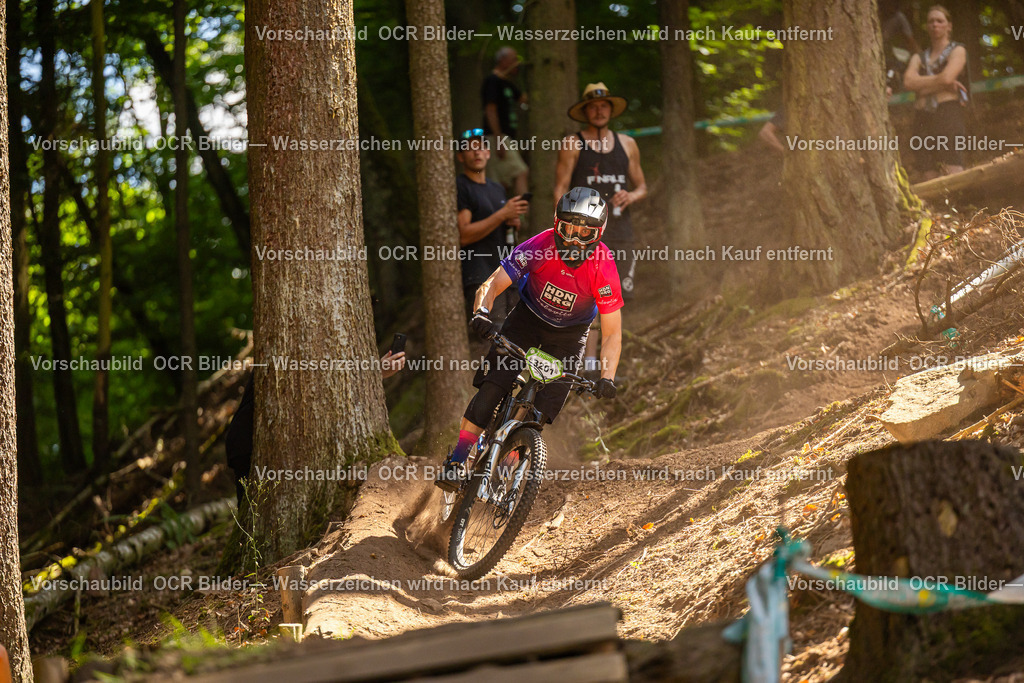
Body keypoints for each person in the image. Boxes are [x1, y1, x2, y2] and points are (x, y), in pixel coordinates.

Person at [436, 187, 623, 490]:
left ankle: (508, 464)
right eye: (568, 229)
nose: (575, 240)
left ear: (599, 234)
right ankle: (457, 460)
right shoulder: (540, 246)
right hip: (526, 322)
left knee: (539, 413)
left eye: (585, 234)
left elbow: (612, 330)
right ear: (556, 224)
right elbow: (493, 282)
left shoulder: (603, 266)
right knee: (490, 392)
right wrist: (482, 312)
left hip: (569, 337)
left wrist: (608, 376)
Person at [226, 350, 405, 505]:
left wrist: (376, 372)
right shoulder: (291, 350)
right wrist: (375, 371)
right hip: (250, 442)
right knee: (256, 514)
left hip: (267, 442)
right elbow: (321, 385)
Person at [553, 82, 647, 378]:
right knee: (587, 297)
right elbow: (560, 187)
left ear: (611, 109)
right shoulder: (573, 143)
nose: (598, 110)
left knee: (615, 298)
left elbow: (642, 185)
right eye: (592, 106)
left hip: (621, 231)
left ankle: (606, 368)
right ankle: (585, 364)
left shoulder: (628, 144)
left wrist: (631, 196)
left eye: (603, 105)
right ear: (585, 112)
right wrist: (560, 230)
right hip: (583, 236)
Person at [455, 128, 528, 334]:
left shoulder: (497, 188)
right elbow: (463, 235)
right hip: (480, 274)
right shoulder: (461, 186)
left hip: (507, 273)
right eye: (469, 149)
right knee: (491, 337)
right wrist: (502, 215)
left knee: (516, 334)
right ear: (461, 157)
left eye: (481, 148)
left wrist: (511, 221)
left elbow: (500, 224)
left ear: (488, 153)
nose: (476, 153)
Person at [903, 5, 969, 179]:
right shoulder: (919, 57)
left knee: (952, 167)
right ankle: (935, 207)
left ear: (949, 26)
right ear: (926, 26)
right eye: (931, 21)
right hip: (922, 117)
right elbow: (908, 82)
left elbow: (948, 77)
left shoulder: (958, 50)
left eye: (940, 21)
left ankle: (958, 206)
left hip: (947, 114)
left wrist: (923, 87)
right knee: (927, 170)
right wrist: (942, 82)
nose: (935, 24)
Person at [482, 46, 529, 196]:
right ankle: (522, 213)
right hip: (497, 136)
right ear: (503, 61)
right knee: (520, 171)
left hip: (507, 137)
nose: (516, 63)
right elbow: (490, 110)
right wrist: (498, 139)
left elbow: (523, 100)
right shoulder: (492, 82)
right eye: (513, 59)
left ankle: (507, 216)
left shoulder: (507, 84)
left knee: (502, 183)